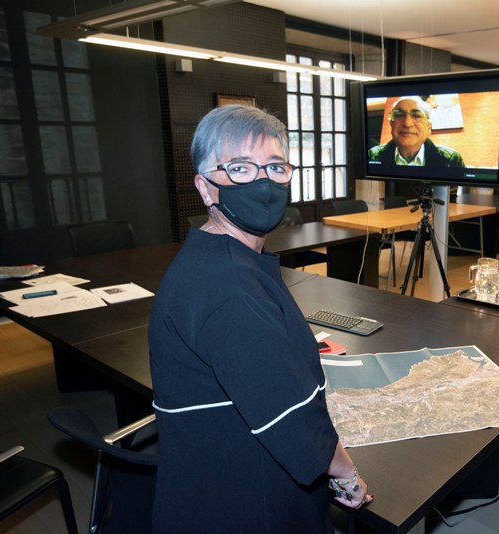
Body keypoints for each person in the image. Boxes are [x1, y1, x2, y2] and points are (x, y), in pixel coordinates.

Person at [148, 104, 371, 532]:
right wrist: (347, 474)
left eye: (275, 167)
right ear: (206, 187)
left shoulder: (218, 258)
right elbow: (291, 420)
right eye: (240, 169)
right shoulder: (229, 288)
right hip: (245, 501)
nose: (263, 183)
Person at [367, 96, 465, 167]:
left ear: (428, 127)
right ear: (391, 124)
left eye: (416, 116)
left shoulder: (451, 160)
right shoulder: (372, 156)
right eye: (398, 115)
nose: (407, 123)